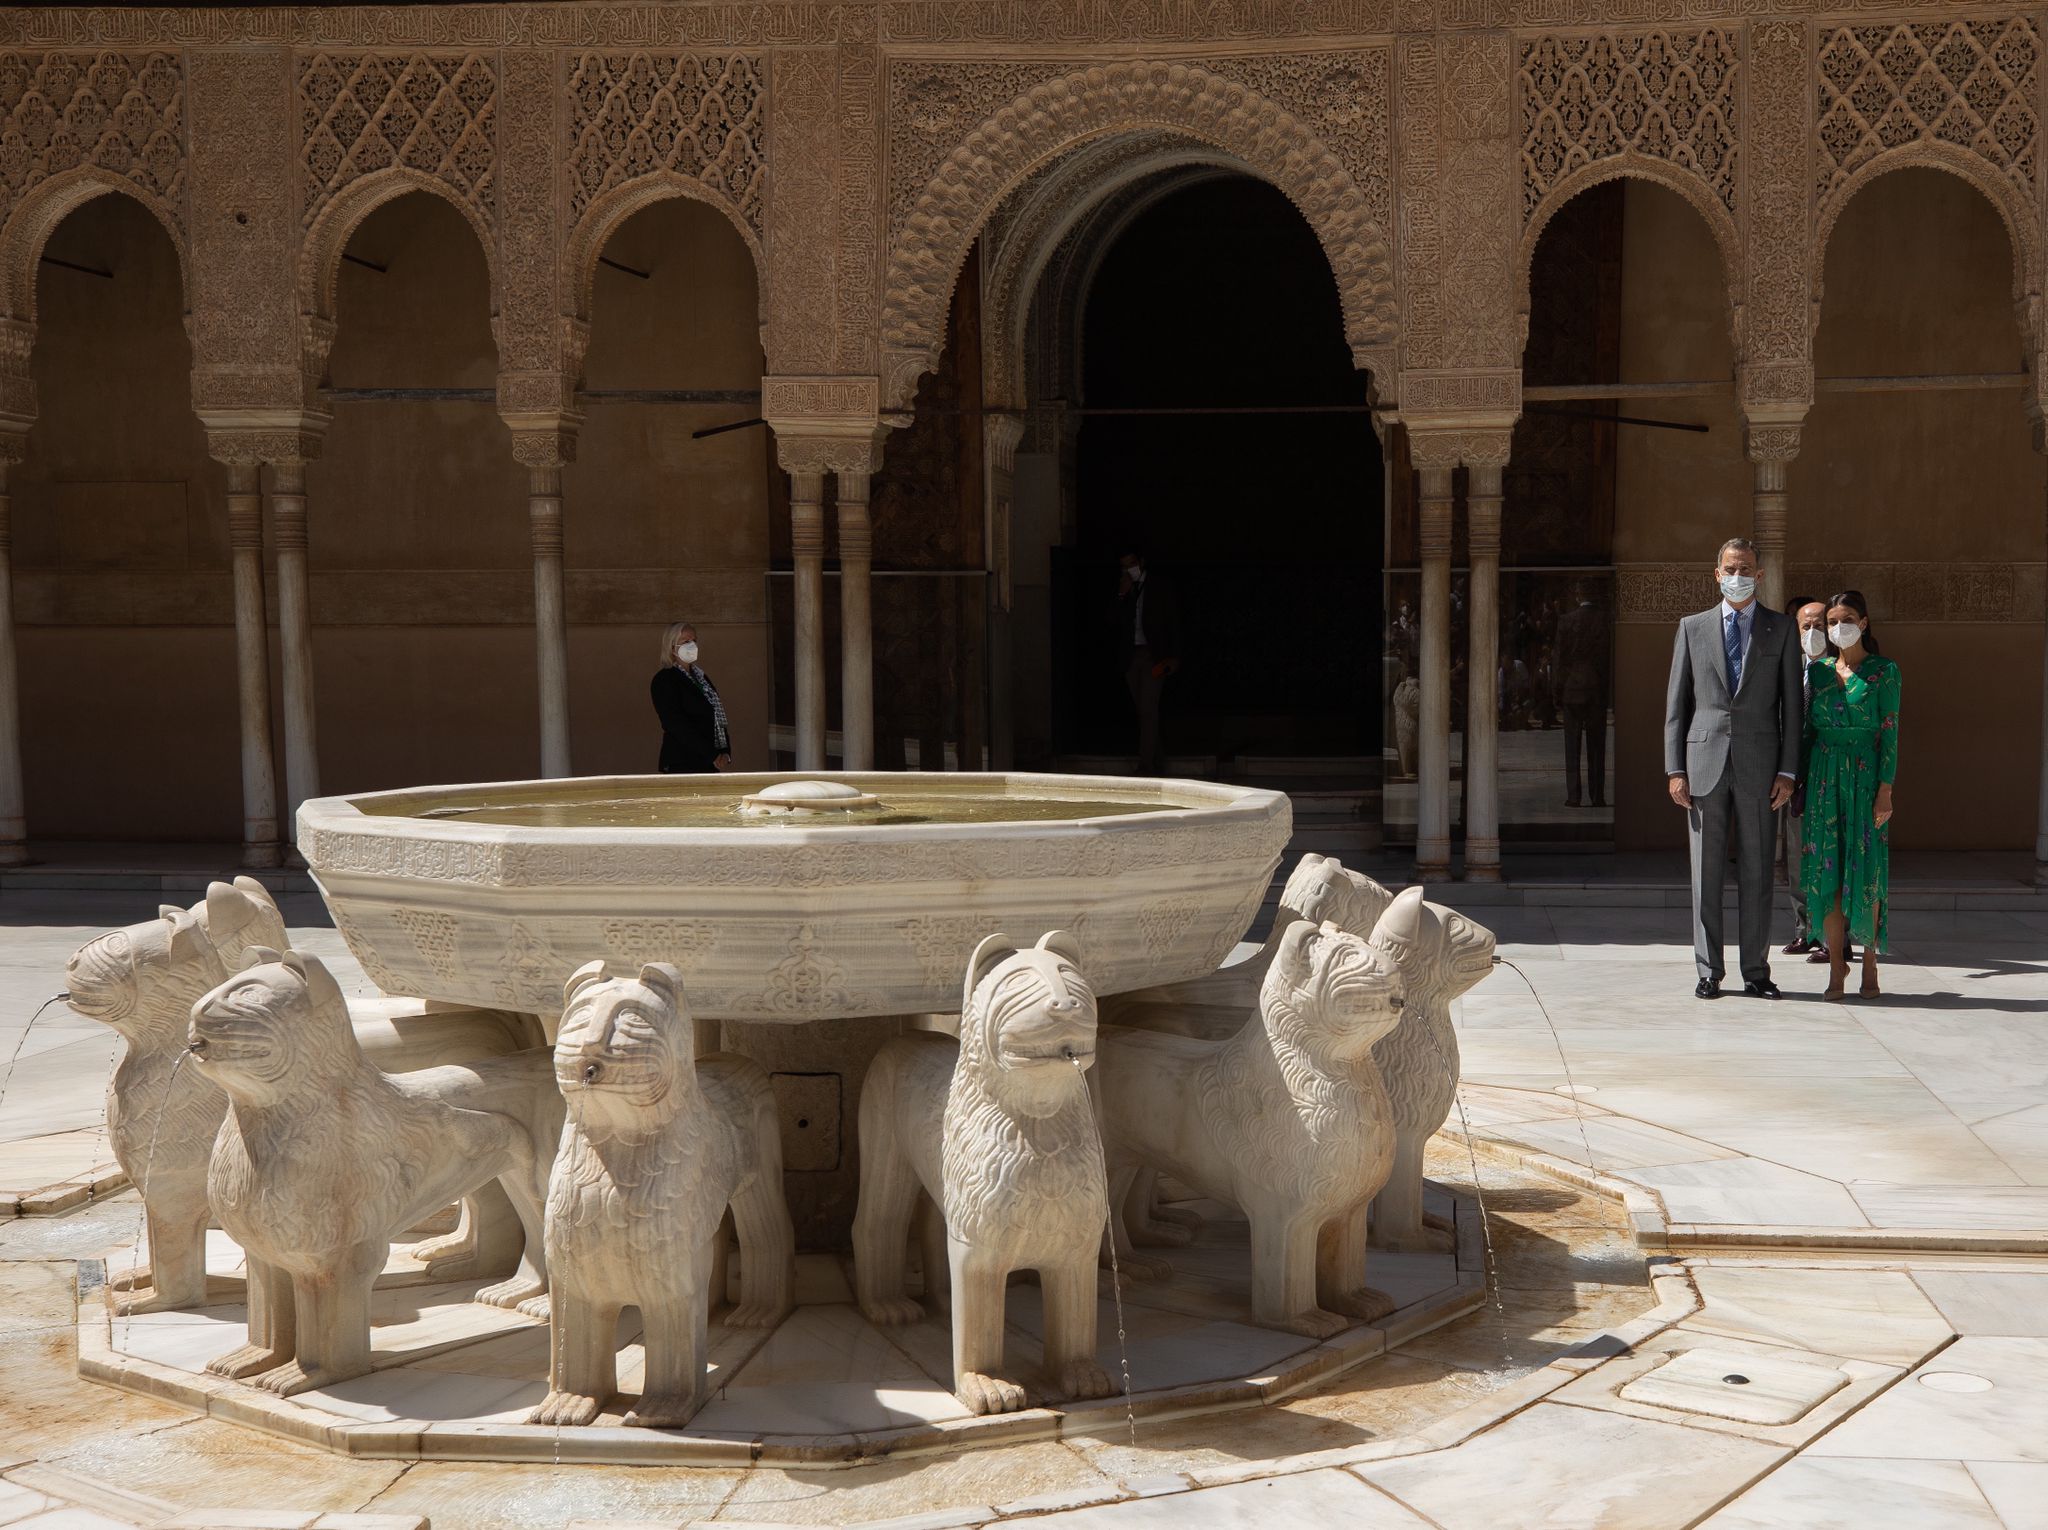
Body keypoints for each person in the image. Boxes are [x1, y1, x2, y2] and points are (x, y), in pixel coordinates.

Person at [1663, 538, 1801, 1000]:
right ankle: (1709, 970)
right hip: (1703, 763)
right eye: (1729, 567)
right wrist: (1674, 768)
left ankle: (1756, 971)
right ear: (1716, 572)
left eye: (1745, 568)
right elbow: (1677, 705)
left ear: (1759, 575)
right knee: (1705, 872)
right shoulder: (1692, 627)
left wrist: (1788, 770)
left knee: (1759, 869)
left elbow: (1792, 708)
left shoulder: (1779, 629)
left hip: (1761, 766)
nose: (1737, 574)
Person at [1798, 591, 1900, 1000]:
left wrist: (1885, 791)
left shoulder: (1884, 671)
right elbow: (1807, 733)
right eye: (1832, 621)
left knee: (1866, 869)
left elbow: (1890, 732)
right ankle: (1836, 967)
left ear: (1864, 622)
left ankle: (1870, 962)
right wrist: (1799, 784)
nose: (1839, 628)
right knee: (1829, 875)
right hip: (1824, 776)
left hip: (1864, 777)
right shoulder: (1819, 671)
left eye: (1847, 619)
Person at [1116, 547, 1180, 775]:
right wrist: (1122, 596)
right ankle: (1157, 760)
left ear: (1141, 562)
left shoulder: (1158, 586)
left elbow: (1172, 621)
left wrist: (1173, 656)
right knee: (1144, 712)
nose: (1128, 569)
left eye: (1131, 563)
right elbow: (1115, 622)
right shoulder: (1126, 587)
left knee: (1149, 709)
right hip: (1131, 655)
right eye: (1124, 565)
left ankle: (1145, 766)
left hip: (1153, 654)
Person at [1554, 582, 1611, 807]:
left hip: (1572, 688)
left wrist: (1556, 690)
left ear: (1578, 595)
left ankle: (1574, 795)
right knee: (1597, 746)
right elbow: (1606, 657)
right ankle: (1597, 795)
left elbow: (1560, 658)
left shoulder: (1567, 621)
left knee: (1572, 744)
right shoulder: (1603, 620)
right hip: (1595, 687)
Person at [651, 621, 732, 773]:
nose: (692, 645)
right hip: (682, 762)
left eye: (694, 641)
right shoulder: (665, 679)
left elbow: (716, 715)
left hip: (708, 762)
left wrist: (724, 752)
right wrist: (711, 754)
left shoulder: (701, 677)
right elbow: (675, 723)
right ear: (672, 647)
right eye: (686, 642)